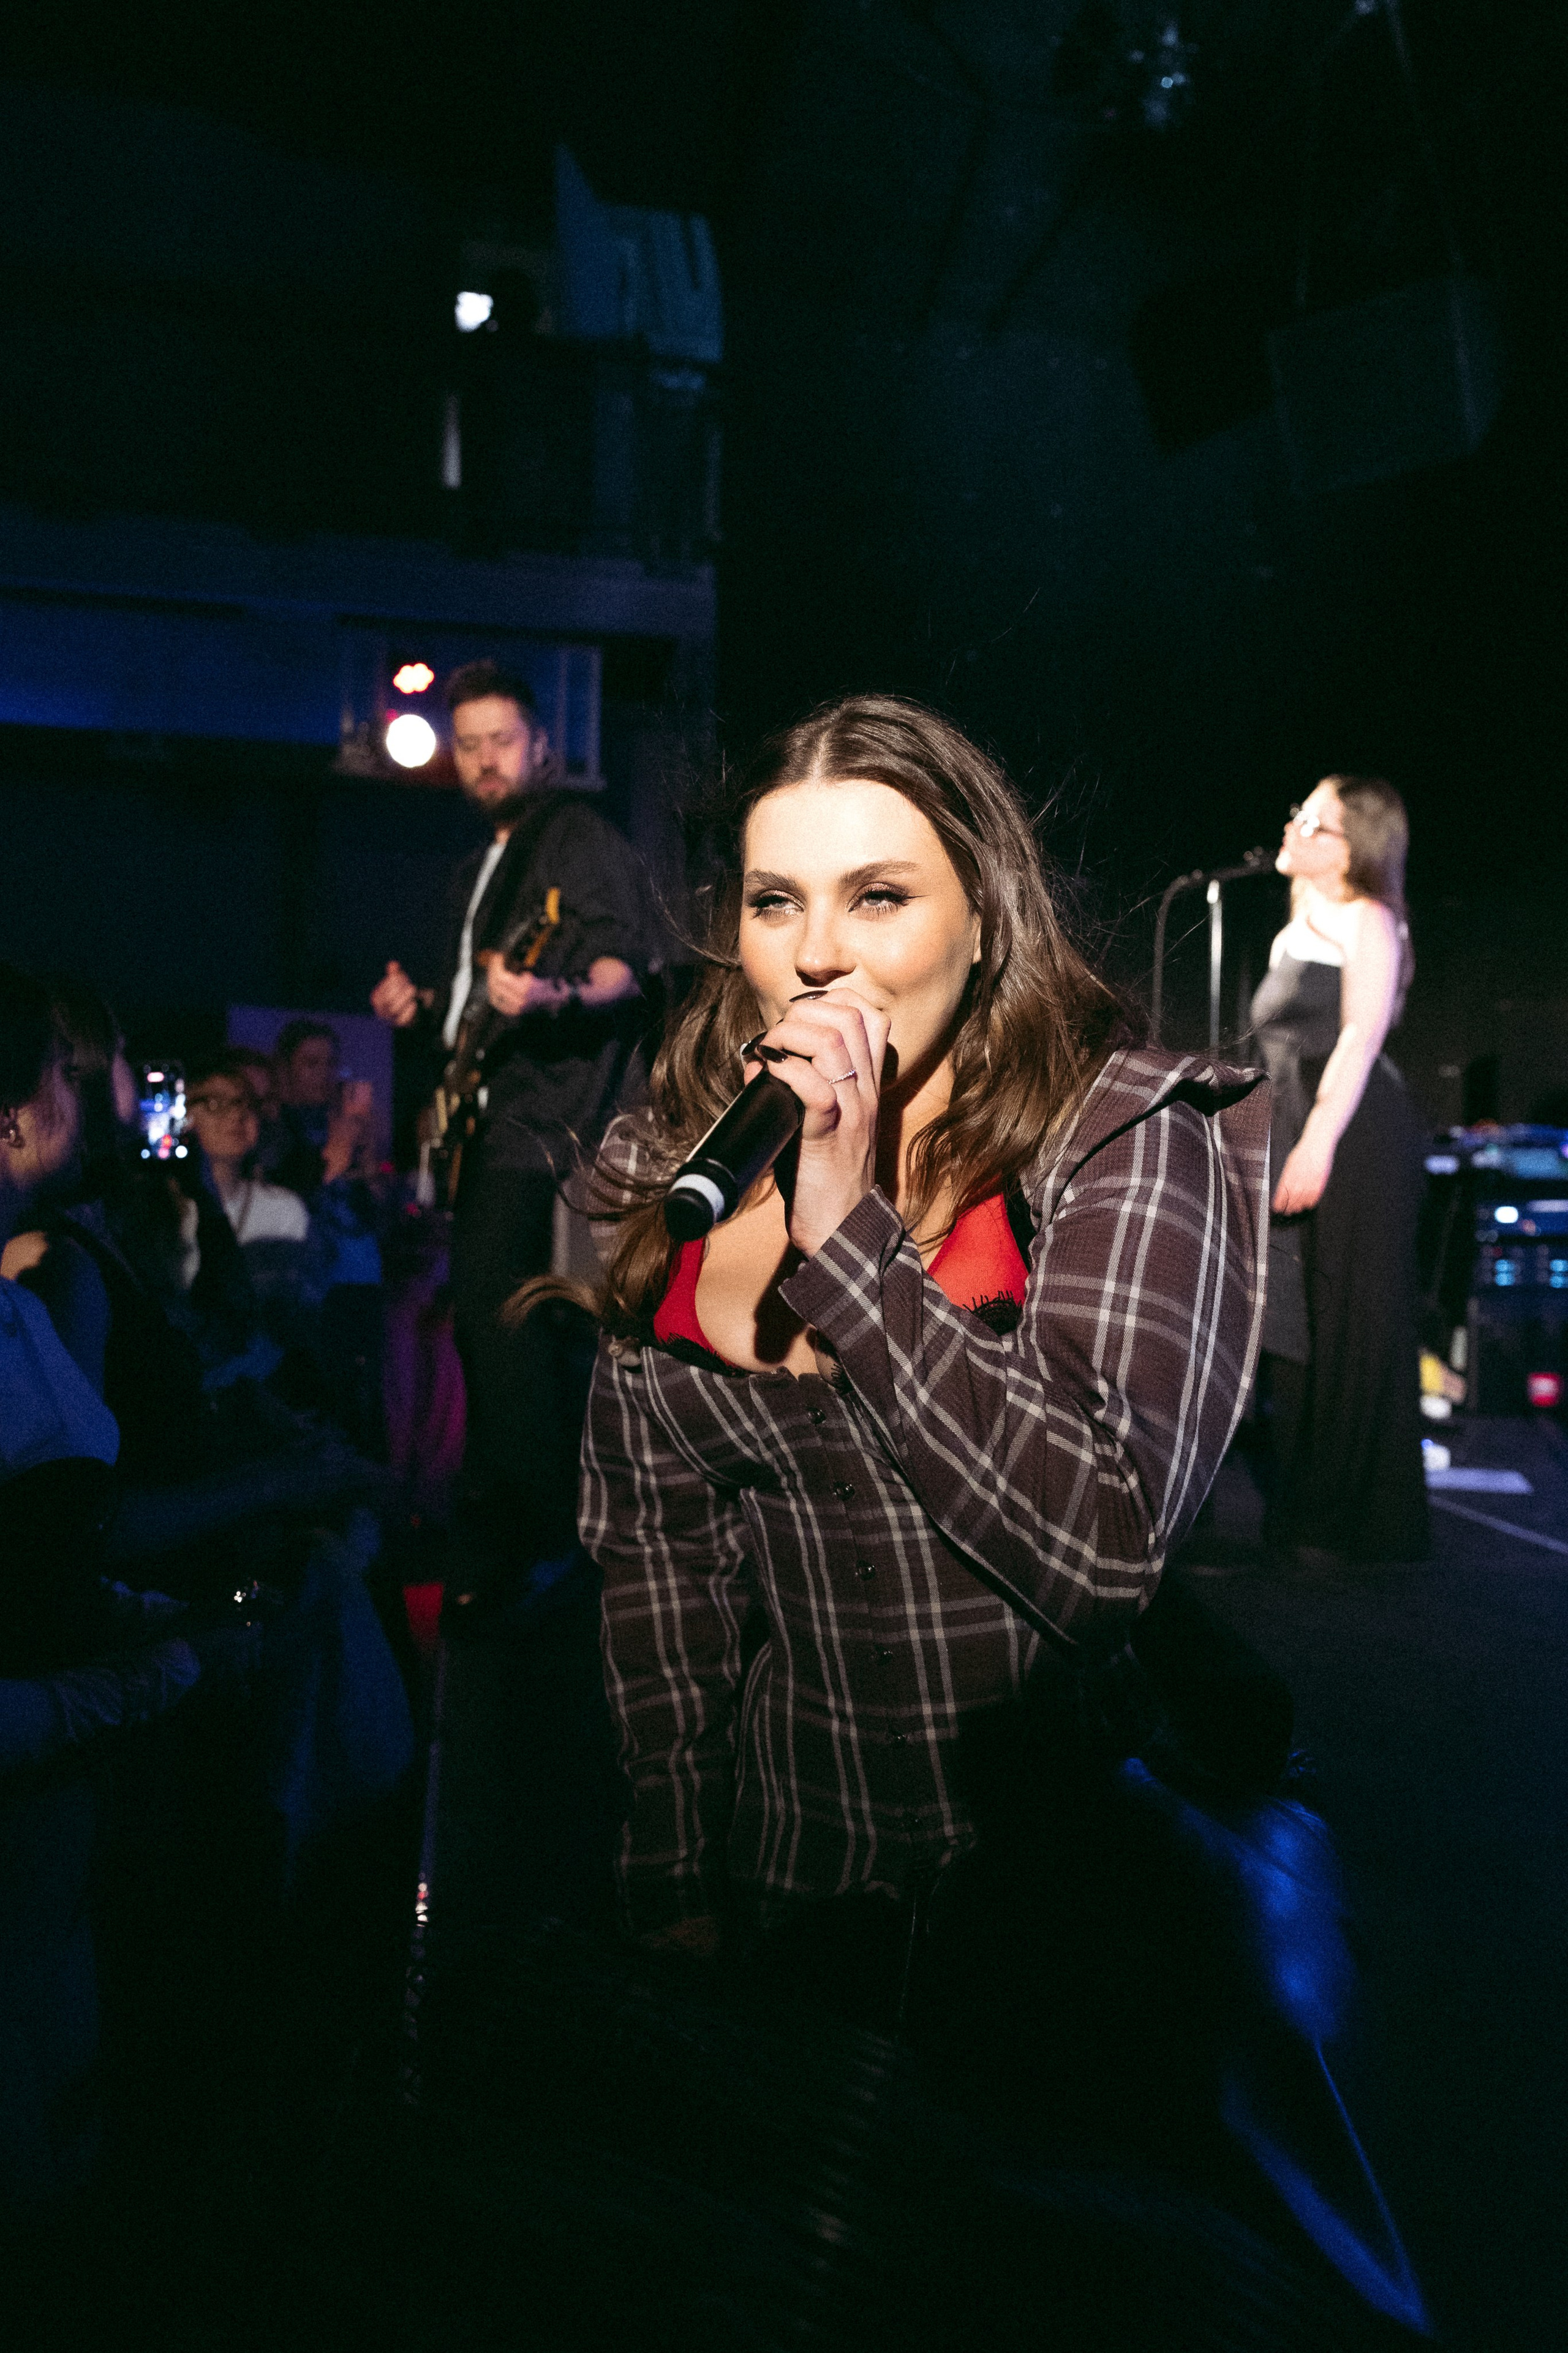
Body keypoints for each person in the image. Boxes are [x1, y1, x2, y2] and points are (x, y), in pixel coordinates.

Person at [578, 694, 1271, 1964]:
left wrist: (845, 1235)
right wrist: (670, 1875)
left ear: (985, 921)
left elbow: (1101, 1557)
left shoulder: (1117, 1136)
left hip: (1054, 1905)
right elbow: (659, 1569)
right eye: (775, 900)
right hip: (791, 1887)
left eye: (879, 896)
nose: (817, 953)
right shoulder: (677, 1167)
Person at [371, 658, 653, 1587]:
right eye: (470, 744)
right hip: (490, 1119)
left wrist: (552, 994)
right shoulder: (480, 870)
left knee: (507, 1326)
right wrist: (419, 1011)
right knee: (495, 1331)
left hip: (552, 1123)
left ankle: (555, 1536)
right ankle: (513, 1530)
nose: (485, 760)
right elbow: (467, 1011)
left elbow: (625, 968)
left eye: (502, 740)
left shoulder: (574, 837)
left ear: (543, 746)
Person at [1249, 774, 1430, 1565]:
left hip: (1357, 1133)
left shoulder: (1371, 919)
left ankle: (1348, 1522)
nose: (1292, 826)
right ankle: (1303, 1498)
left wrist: (1317, 1140)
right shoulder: (1293, 928)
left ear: (1350, 847)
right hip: (1298, 1126)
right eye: (1295, 812)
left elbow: (1358, 1037)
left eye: (1312, 821)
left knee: (1355, 1319)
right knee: (1290, 1316)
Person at [184, 1052, 311, 1248]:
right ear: (185, 1117)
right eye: (215, 1104)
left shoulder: (282, 1210)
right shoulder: (161, 1209)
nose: (237, 1114)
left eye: (247, 1104)